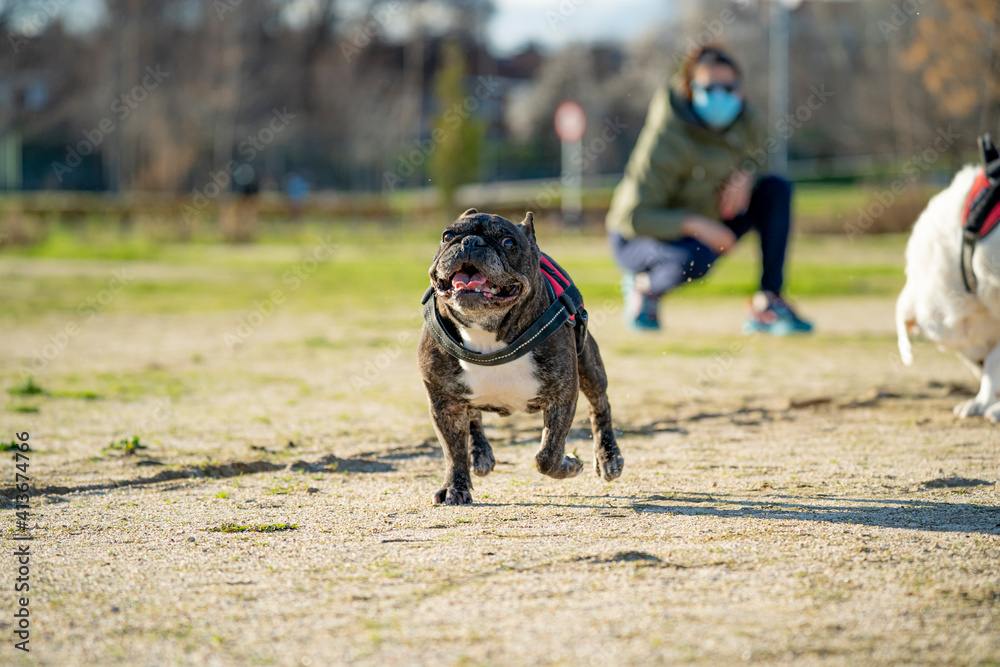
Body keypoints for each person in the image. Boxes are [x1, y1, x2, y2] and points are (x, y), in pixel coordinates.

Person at [605, 45, 813, 335]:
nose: (720, 95)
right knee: (695, 257)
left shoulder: (746, 121)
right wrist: (696, 225)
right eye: (709, 88)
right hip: (638, 237)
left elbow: (760, 158)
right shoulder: (666, 138)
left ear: (740, 90)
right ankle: (644, 286)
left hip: (709, 218)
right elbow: (634, 218)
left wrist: (746, 175)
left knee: (776, 190)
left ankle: (768, 301)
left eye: (728, 87)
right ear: (689, 90)